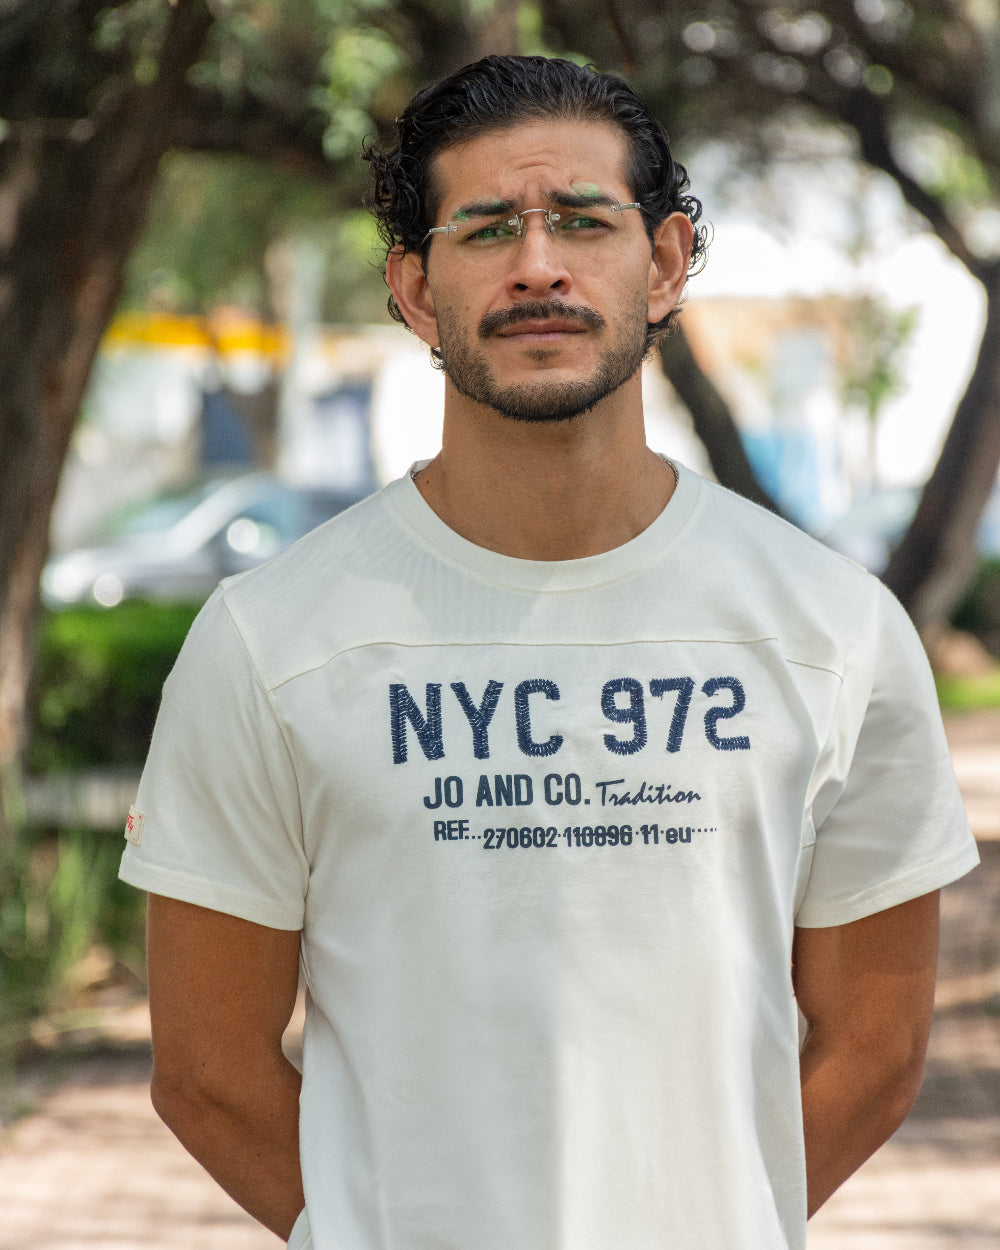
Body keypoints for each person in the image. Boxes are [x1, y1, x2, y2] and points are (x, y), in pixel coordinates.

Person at [119, 54, 979, 1250]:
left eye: (583, 220)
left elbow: (873, 1051)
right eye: (485, 230)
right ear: (415, 291)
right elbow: (207, 1068)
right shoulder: (275, 635)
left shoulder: (831, 627)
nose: (538, 265)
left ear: (666, 261)